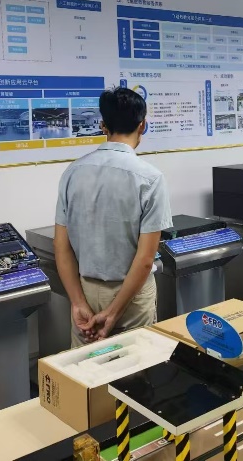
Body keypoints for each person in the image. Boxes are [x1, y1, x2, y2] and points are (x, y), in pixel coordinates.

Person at [53, 87, 172, 347]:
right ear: (142, 126)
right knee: (134, 368)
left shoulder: (72, 172)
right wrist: (113, 312)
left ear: (103, 126)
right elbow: (145, 260)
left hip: (84, 291)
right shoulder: (151, 178)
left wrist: (77, 303)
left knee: (85, 368)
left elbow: (61, 246)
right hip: (131, 298)